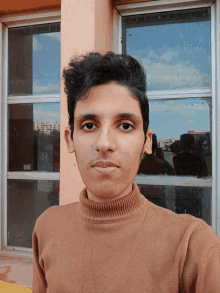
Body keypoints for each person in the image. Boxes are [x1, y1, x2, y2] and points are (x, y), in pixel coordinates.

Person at [32, 52, 220, 292]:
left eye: (125, 125)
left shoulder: (191, 243)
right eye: (89, 125)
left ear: (147, 141)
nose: (104, 143)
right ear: (70, 139)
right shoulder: (47, 227)